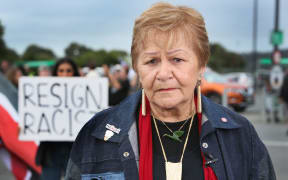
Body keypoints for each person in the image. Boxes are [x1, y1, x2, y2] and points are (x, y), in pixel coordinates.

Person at [65, 3, 275, 180]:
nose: (164, 73)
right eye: (151, 61)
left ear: (201, 65)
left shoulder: (239, 134)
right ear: (137, 67)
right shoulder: (98, 133)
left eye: (177, 59)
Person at [36, 58, 79, 180]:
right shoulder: (44, 92)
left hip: (74, 150)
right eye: (61, 71)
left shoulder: (83, 93)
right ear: (56, 73)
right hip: (51, 149)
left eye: (68, 71)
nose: (65, 74)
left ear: (74, 73)